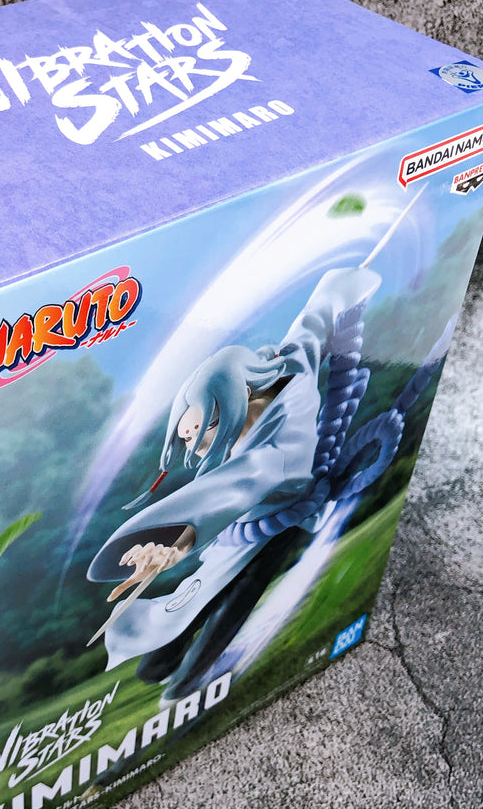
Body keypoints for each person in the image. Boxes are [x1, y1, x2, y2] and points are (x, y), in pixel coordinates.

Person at [87, 265, 384, 699]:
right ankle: (162, 664)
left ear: (237, 399)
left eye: (207, 429)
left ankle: (184, 681)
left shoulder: (272, 451)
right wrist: (345, 284)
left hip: (279, 518)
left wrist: (174, 548)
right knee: (198, 593)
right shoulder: (289, 364)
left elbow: (230, 491)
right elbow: (313, 324)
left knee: (237, 593)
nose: (198, 447)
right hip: (241, 522)